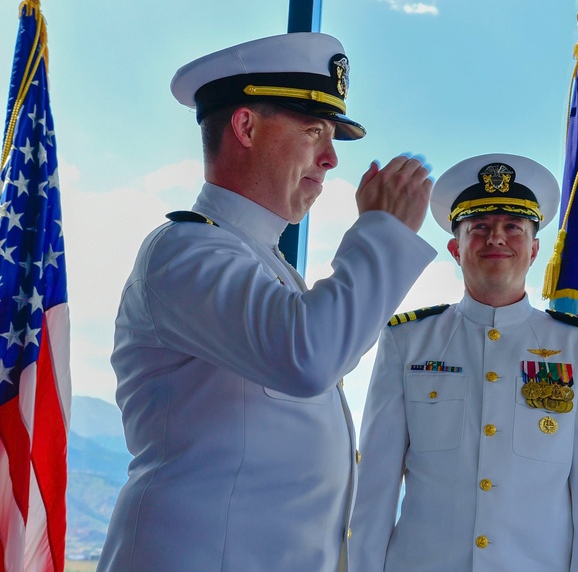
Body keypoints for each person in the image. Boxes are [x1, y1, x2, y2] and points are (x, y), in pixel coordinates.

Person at [98, 32, 437, 572]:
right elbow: (308, 356)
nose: (329, 159)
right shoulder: (182, 252)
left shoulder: (264, 267)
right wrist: (382, 232)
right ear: (245, 127)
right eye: (312, 131)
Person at [349, 153, 578, 572]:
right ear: (454, 249)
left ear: (534, 251)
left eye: (513, 227)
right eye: (478, 227)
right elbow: (373, 492)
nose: (495, 238)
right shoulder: (406, 342)